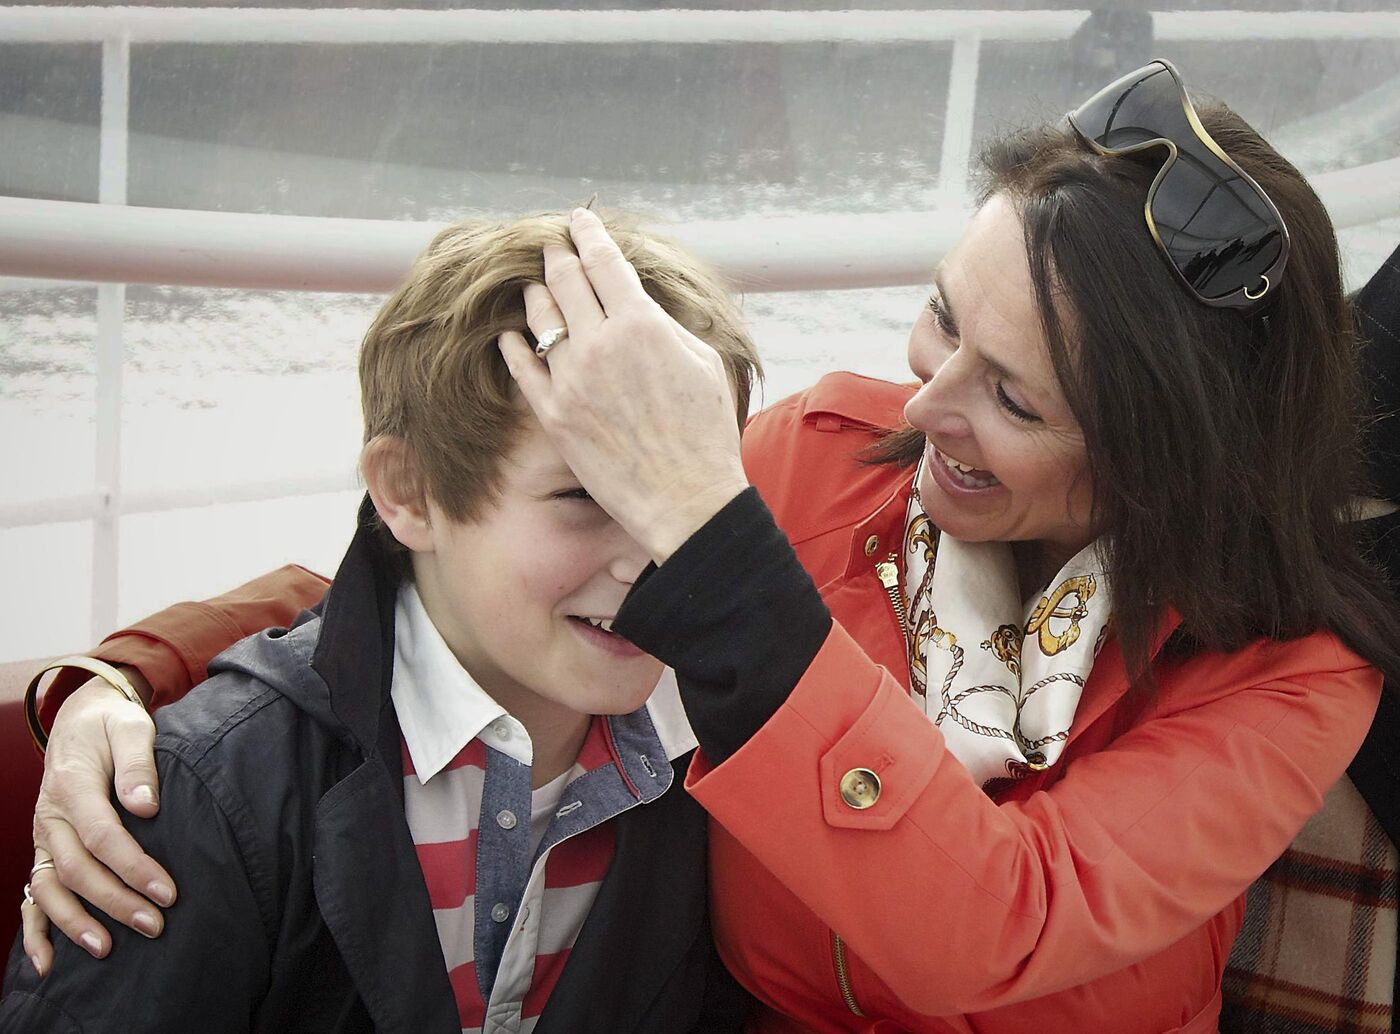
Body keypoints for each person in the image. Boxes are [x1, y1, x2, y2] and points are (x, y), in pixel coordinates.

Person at [14, 61, 1400, 1032]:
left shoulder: (1288, 673)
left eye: (1013, 397)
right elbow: (489, 565)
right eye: (941, 321)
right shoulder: (829, 459)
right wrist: (132, 684)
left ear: (1165, 459)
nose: (923, 407)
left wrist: (719, 540)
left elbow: (1000, 923)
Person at [0, 212, 760, 1032]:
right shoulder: (210, 799)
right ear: (409, 491)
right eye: (582, 496)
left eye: (686, 494)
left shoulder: (736, 757)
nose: (651, 554)